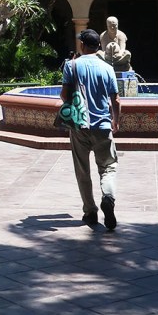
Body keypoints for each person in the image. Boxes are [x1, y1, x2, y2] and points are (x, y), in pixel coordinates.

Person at [61, 28, 121, 229]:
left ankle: (90, 212)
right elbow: (116, 100)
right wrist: (116, 121)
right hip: (103, 125)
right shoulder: (107, 68)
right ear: (98, 46)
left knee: (82, 170)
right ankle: (108, 197)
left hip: (79, 125)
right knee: (108, 166)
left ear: (82, 45)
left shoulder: (72, 65)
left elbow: (64, 95)